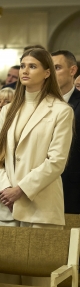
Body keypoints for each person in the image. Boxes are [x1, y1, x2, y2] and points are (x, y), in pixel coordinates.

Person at [0, 48, 74, 287]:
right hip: (6, 204)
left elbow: (57, 162)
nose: (25, 71)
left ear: (47, 72)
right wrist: (4, 190)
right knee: (6, 281)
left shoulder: (61, 111)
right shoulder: (9, 108)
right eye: (22, 66)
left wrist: (20, 189)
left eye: (33, 66)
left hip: (40, 203)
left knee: (37, 282)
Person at [52, 50, 80, 214]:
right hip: (39, 188)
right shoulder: (40, 104)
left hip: (73, 188)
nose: (50, 72)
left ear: (72, 70)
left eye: (57, 67)